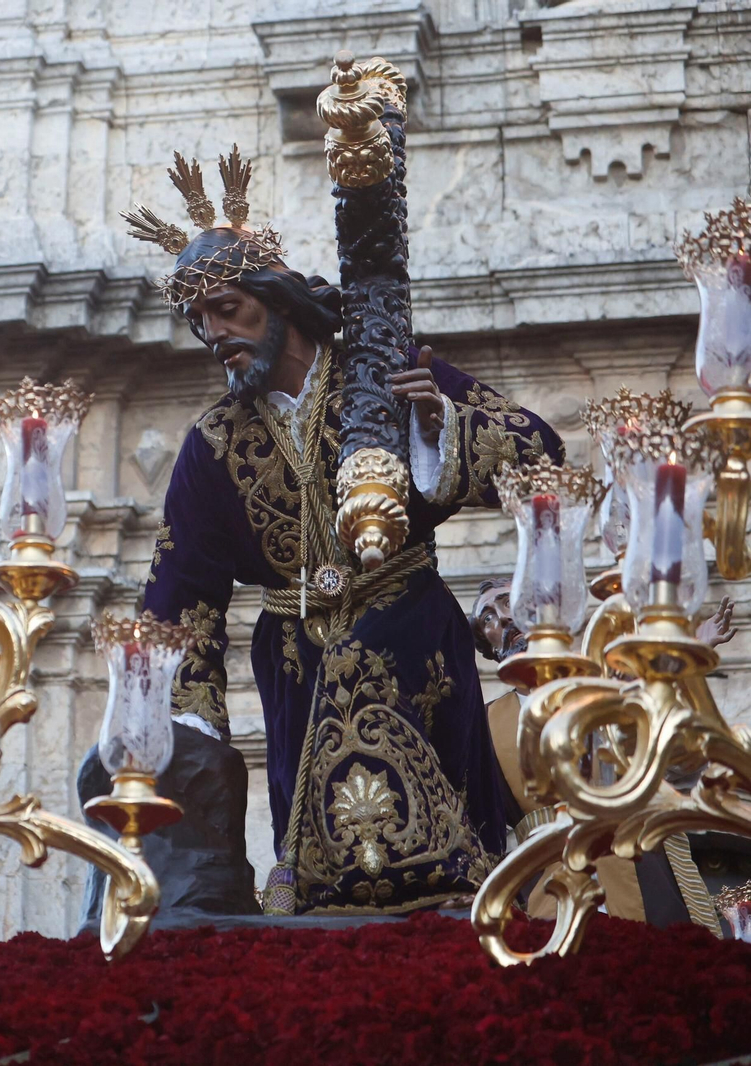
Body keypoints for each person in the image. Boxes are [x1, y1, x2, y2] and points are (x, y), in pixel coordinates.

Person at [128, 147, 562, 915]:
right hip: (297, 660)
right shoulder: (213, 443)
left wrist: (439, 427)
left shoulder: (384, 368)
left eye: (229, 309)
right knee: (326, 879)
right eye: (201, 321)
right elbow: (180, 594)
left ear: (277, 299)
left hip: (411, 632)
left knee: (448, 873)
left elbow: (541, 456)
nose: (216, 333)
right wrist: (180, 728)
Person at [471, 580, 739, 926]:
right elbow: (476, 822)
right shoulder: (484, 723)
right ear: (487, 646)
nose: (503, 619)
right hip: (548, 898)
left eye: (509, 602)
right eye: (488, 618)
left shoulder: (608, 684)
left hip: (639, 873)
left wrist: (682, 669)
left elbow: (678, 766)